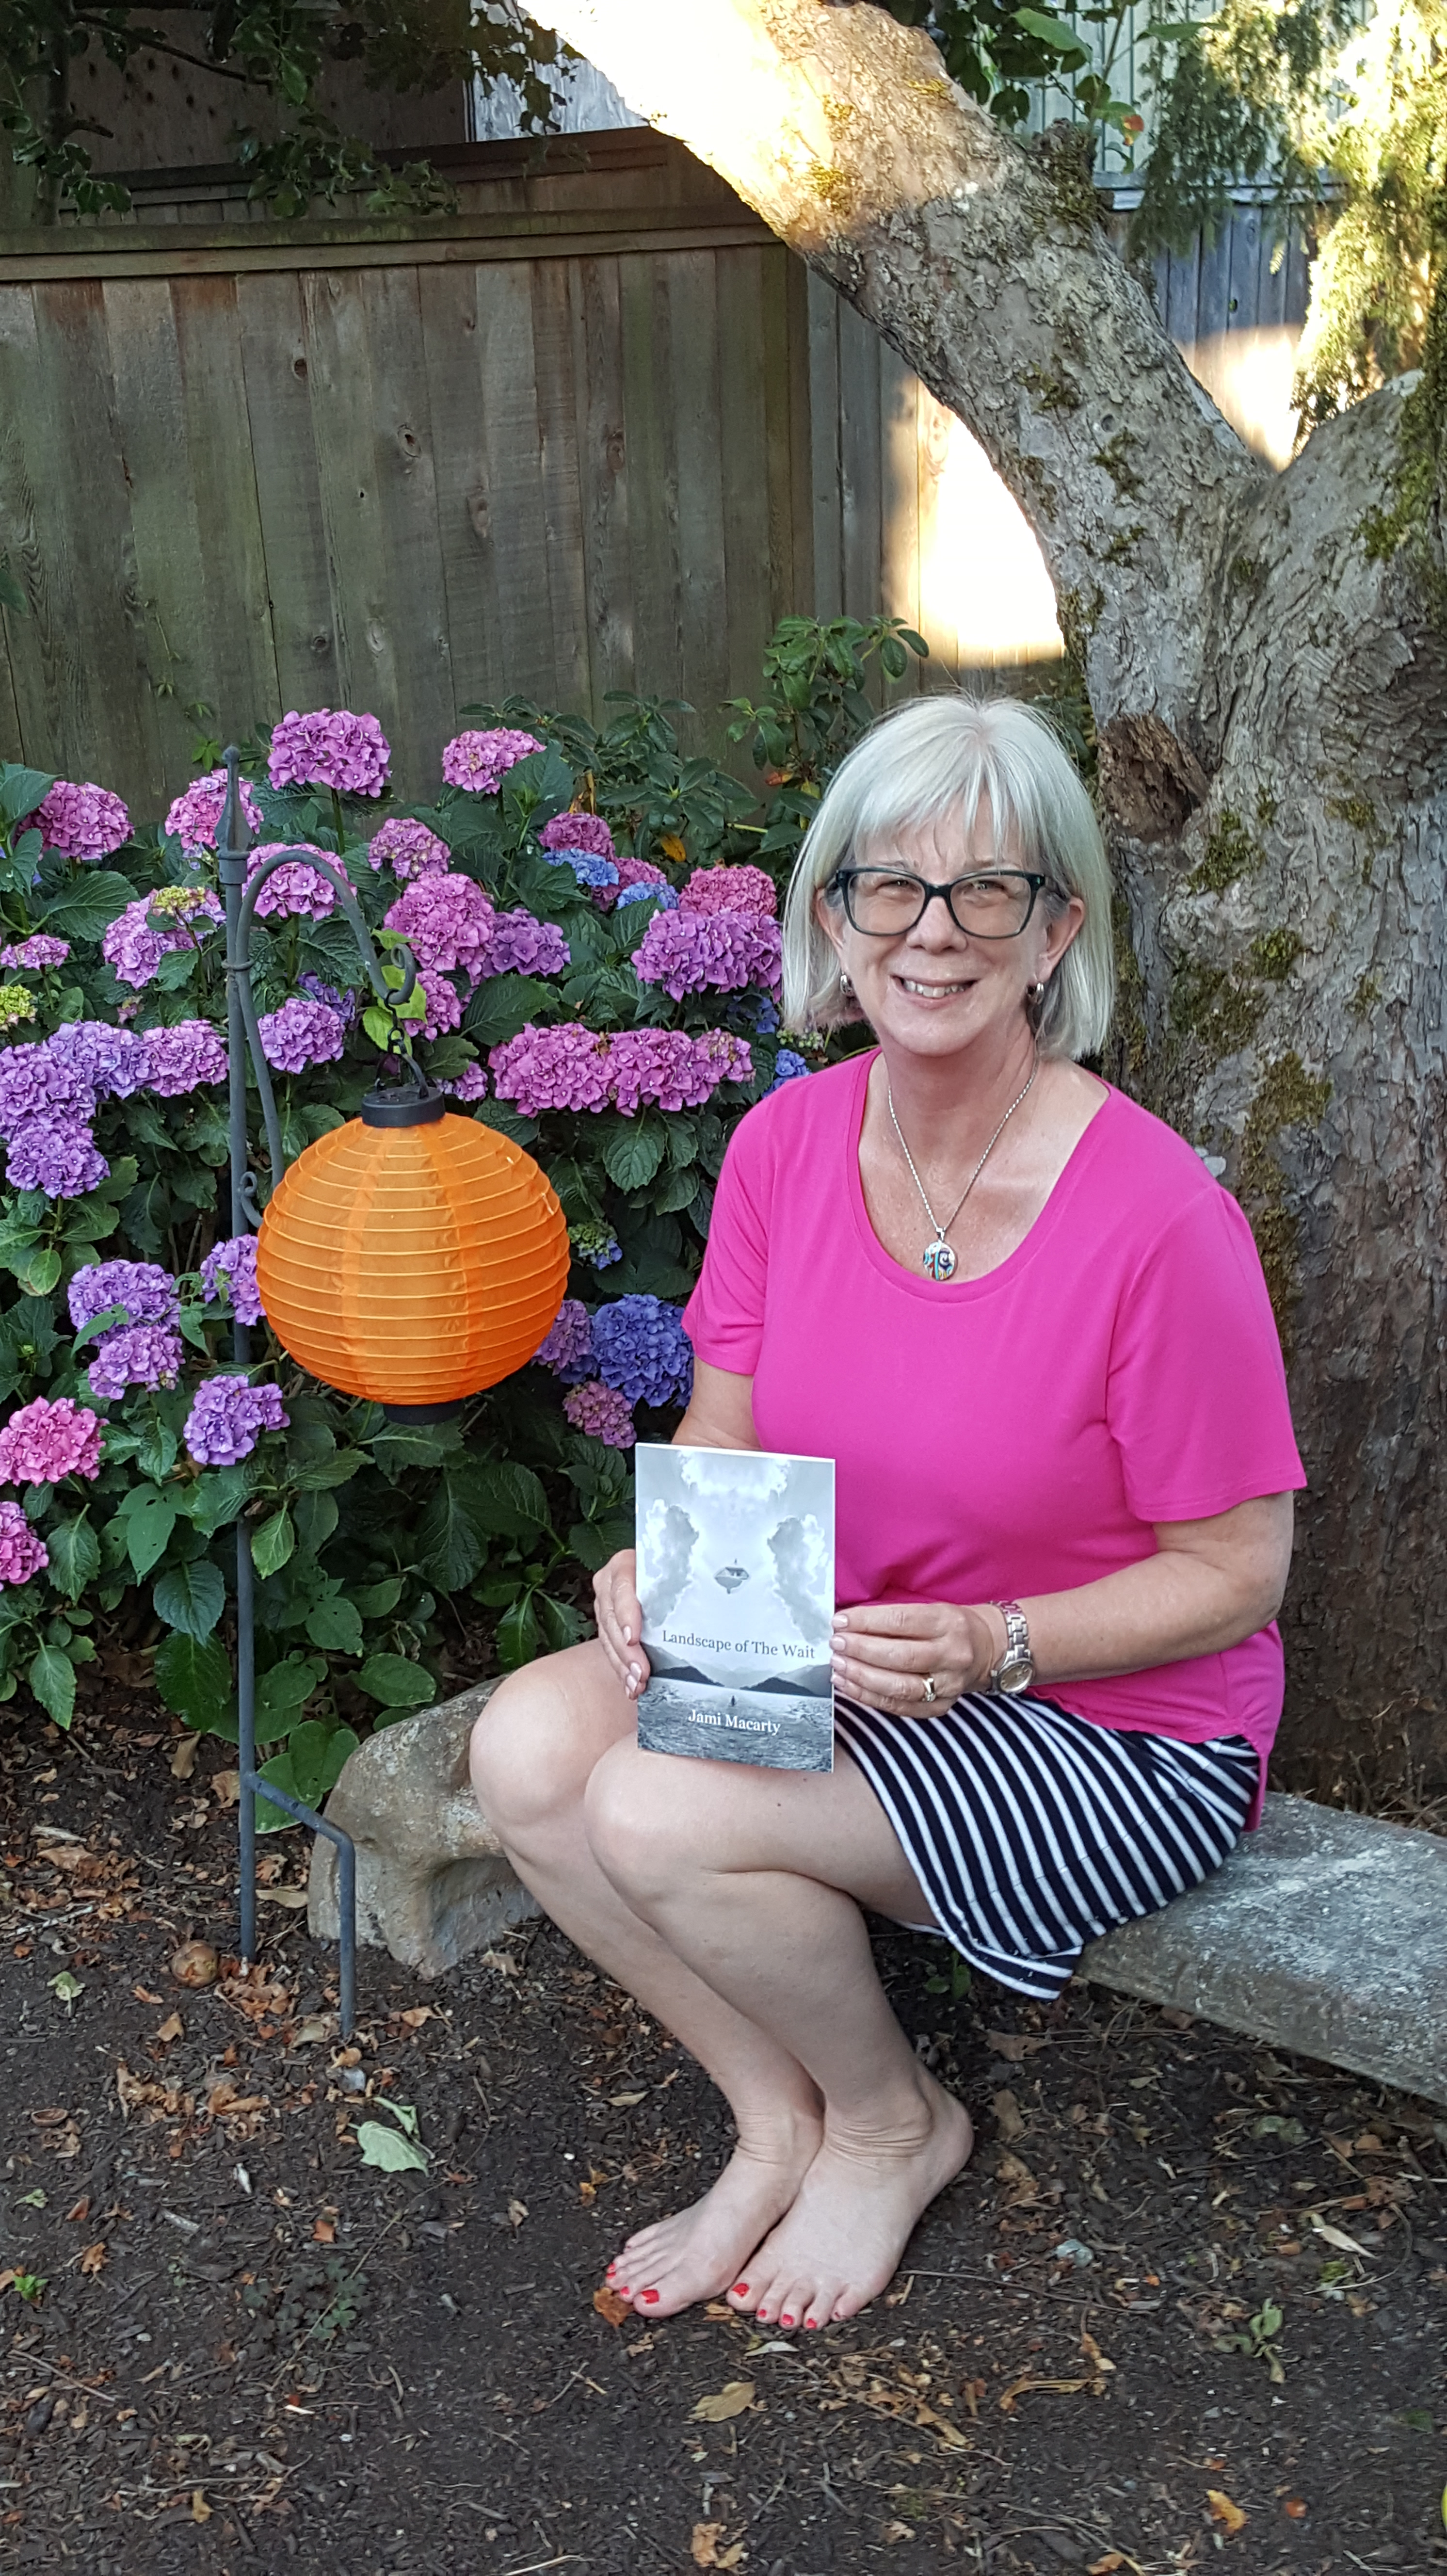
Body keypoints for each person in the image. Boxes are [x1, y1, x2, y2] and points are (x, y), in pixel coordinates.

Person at [470, 693, 1304, 2335]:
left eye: (986, 890)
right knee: (528, 1752)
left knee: (657, 1812)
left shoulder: (1158, 1219)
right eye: (890, 887)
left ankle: (889, 2124)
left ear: (1056, 930)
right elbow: (727, 1427)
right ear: (834, 915)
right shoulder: (785, 1146)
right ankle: (774, 2117)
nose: (933, 933)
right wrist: (662, 1564)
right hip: (846, 1651)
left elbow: (1239, 1571)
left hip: (1109, 1723)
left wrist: (998, 1643)